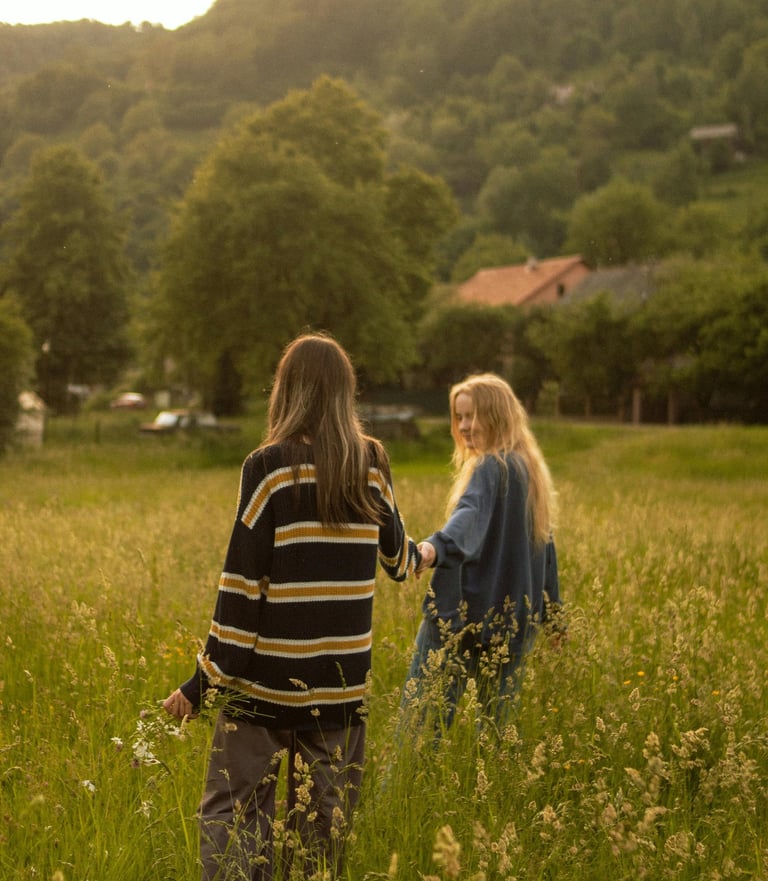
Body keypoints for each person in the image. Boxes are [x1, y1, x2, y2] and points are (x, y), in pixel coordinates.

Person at [163, 332, 421, 880]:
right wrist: (436, 552)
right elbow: (400, 561)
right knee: (320, 840)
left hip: (263, 690)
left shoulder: (269, 468)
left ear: (287, 392)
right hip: (339, 692)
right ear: (345, 393)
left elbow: (241, 591)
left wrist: (201, 684)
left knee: (235, 823)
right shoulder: (372, 464)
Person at [404, 372, 563, 731]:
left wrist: (432, 549)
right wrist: (554, 617)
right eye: (459, 417)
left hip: (459, 618)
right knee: (494, 739)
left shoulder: (492, 466)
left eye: (472, 416)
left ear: (497, 416)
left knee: (420, 731)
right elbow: (547, 553)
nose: (463, 426)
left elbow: (469, 514)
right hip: (512, 625)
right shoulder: (530, 470)